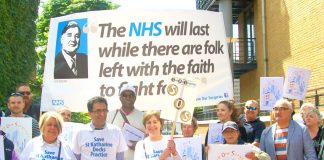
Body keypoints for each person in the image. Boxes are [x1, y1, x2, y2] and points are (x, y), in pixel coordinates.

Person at [107, 84, 145, 160]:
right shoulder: (110, 115)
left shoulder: (143, 116)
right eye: (124, 95)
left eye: (131, 95)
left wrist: (139, 146)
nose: (128, 98)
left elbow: (150, 139)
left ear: (135, 98)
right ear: (120, 98)